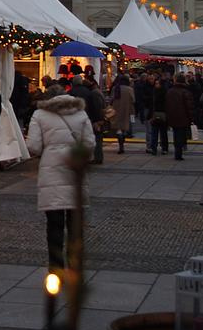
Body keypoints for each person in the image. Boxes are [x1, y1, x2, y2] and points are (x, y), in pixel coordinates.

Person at [26, 84, 95, 269]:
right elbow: (89, 143)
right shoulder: (80, 113)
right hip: (75, 171)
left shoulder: (40, 115)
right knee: (75, 224)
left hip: (51, 171)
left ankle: (56, 267)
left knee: (54, 224)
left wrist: (47, 150)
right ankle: (75, 265)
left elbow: (33, 146)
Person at [70, 72, 105, 162]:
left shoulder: (70, 92)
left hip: (73, 118)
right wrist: (97, 119)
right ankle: (89, 156)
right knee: (88, 137)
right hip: (87, 117)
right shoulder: (88, 92)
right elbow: (93, 107)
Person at [165, 73, 195, 160]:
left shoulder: (170, 91)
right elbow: (190, 106)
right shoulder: (186, 92)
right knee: (181, 134)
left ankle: (177, 151)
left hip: (173, 116)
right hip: (183, 117)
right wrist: (192, 117)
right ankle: (179, 152)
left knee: (176, 134)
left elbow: (167, 105)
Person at [109, 73, 135, 154]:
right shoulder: (129, 89)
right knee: (125, 126)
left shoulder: (115, 88)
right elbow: (133, 100)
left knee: (118, 128)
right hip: (127, 110)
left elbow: (111, 99)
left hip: (116, 110)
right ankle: (123, 137)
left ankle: (121, 145)